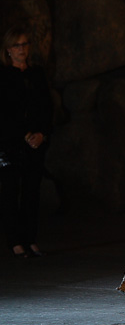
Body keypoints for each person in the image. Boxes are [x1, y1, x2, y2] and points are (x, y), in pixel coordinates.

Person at [0, 25, 53, 258]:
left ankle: (30, 239)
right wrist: (22, 134)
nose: (22, 49)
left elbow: (46, 108)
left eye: (25, 44)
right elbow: (4, 112)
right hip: (10, 142)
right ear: (8, 50)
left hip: (35, 142)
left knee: (32, 191)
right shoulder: (3, 76)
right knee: (11, 192)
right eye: (17, 45)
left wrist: (41, 133)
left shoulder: (36, 74)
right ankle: (14, 241)